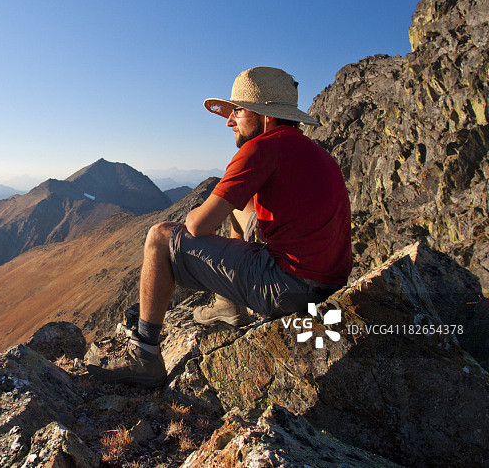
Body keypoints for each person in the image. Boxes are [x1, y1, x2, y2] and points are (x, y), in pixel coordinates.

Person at [86, 67, 352, 388]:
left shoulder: (260, 148)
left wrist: (198, 212)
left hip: (289, 290)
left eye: (237, 111)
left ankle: (144, 353)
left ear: (266, 116)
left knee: (159, 237)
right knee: (240, 204)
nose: (229, 121)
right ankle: (228, 303)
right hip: (328, 287)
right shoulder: (316, 153)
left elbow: (198, 227)